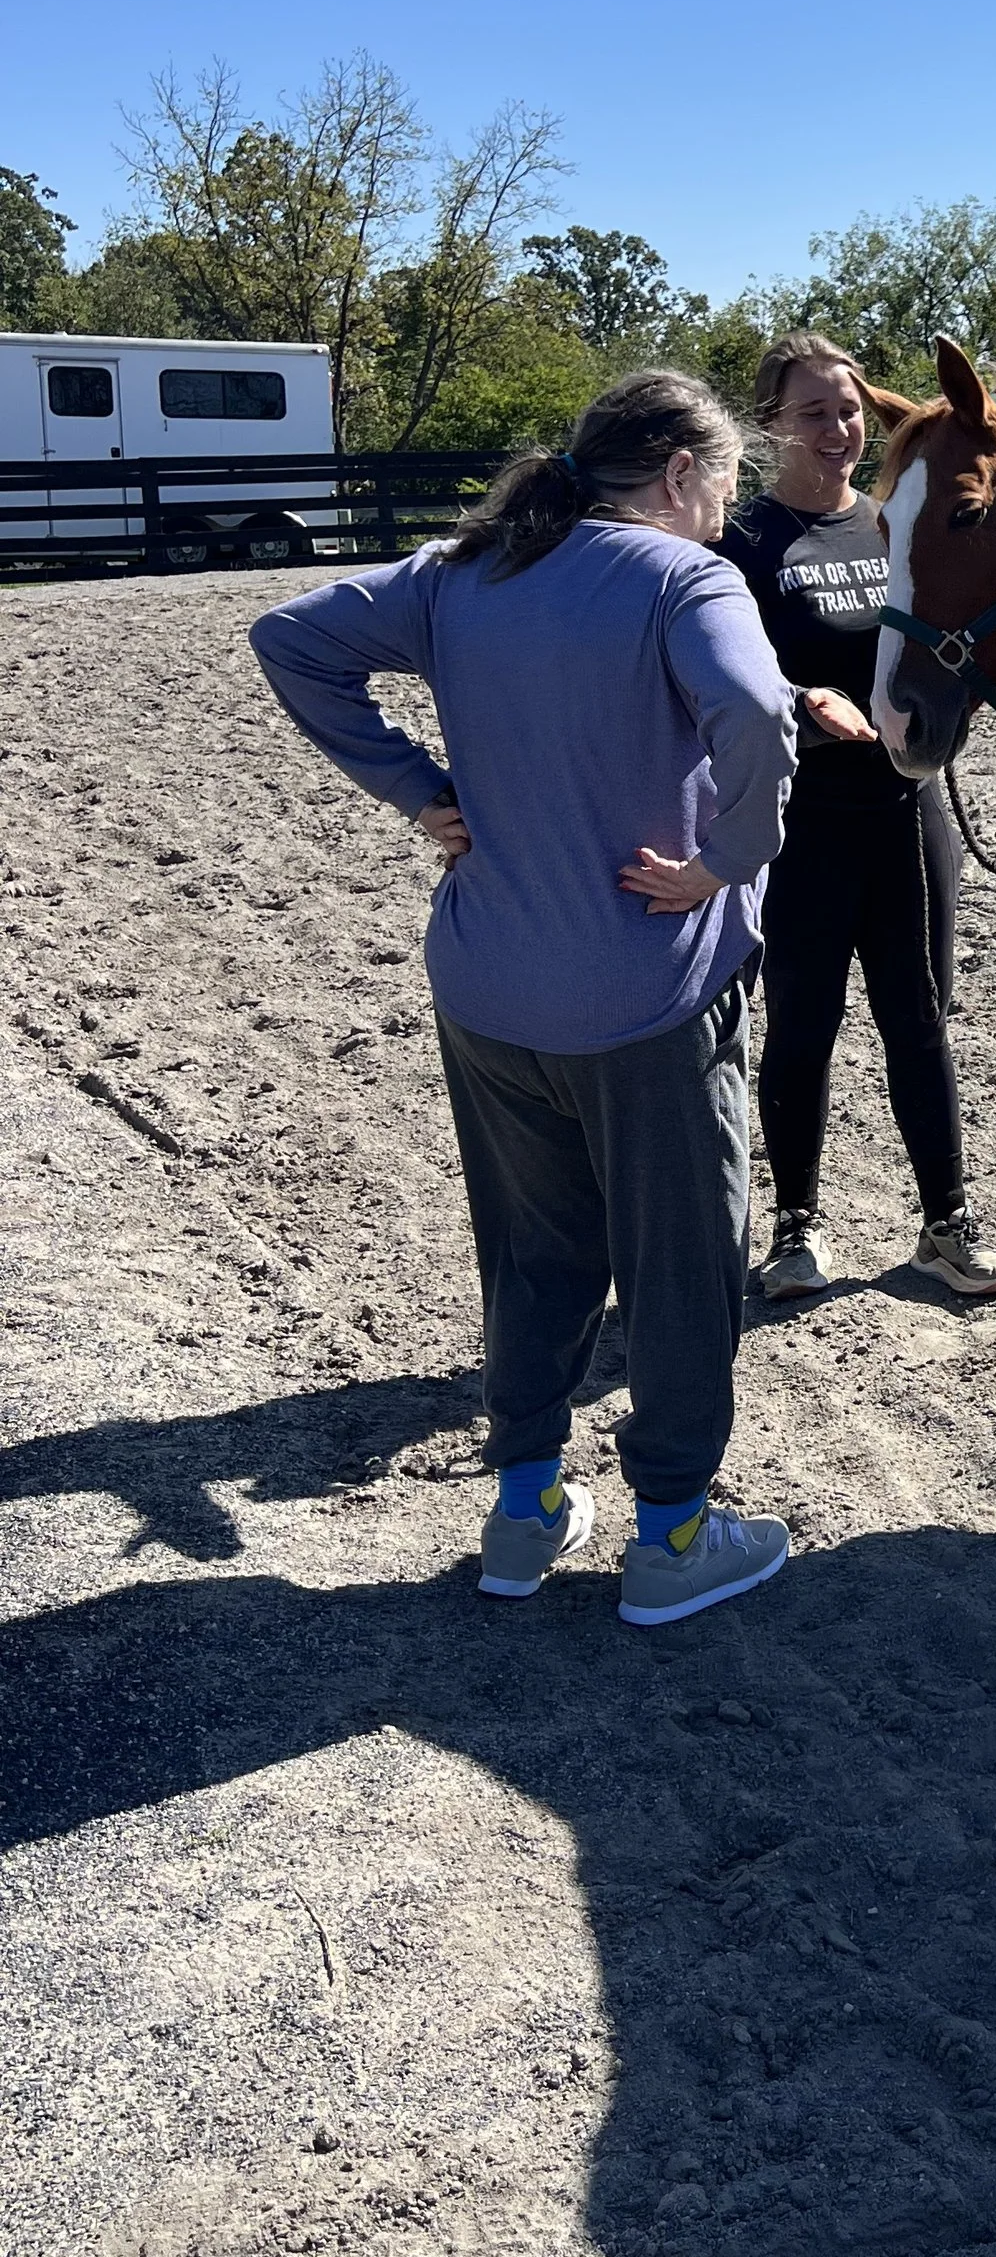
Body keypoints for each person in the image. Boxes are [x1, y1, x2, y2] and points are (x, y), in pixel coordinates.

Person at [248, 369, 798, 1626]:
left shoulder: (462, 570)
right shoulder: (682, 579)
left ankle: (525, 1511)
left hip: (487, 984)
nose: (726, 509)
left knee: (534, 1254)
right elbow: (757, 711)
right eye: (723, 483)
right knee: (680, 1269)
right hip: (643, 995)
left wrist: (412, 787)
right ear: (679, 476)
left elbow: (289, 638)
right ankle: (673, 1534)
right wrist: (728, 859)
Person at [720, 330, 996, 1304]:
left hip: (905, 812)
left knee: (920, 1022)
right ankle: (796, 1228)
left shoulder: (895, 525)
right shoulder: (744, 544)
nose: (839, 428)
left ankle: (947, 1223)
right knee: (802, 1026)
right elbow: (712, 677)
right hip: (800, 820)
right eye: (813, 412)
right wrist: (796, 699)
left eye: (848, 409)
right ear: (770, 424)